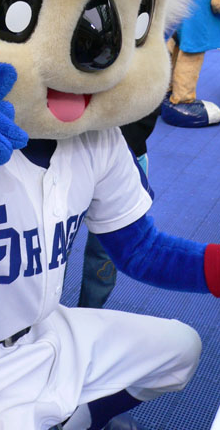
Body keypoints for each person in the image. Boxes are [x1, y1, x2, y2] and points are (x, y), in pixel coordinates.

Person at [78, 108, 160, 309]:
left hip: (127, 153)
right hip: (66, 153)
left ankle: (90, 313)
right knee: (54, 243)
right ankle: (46, 316)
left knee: (106, 249)